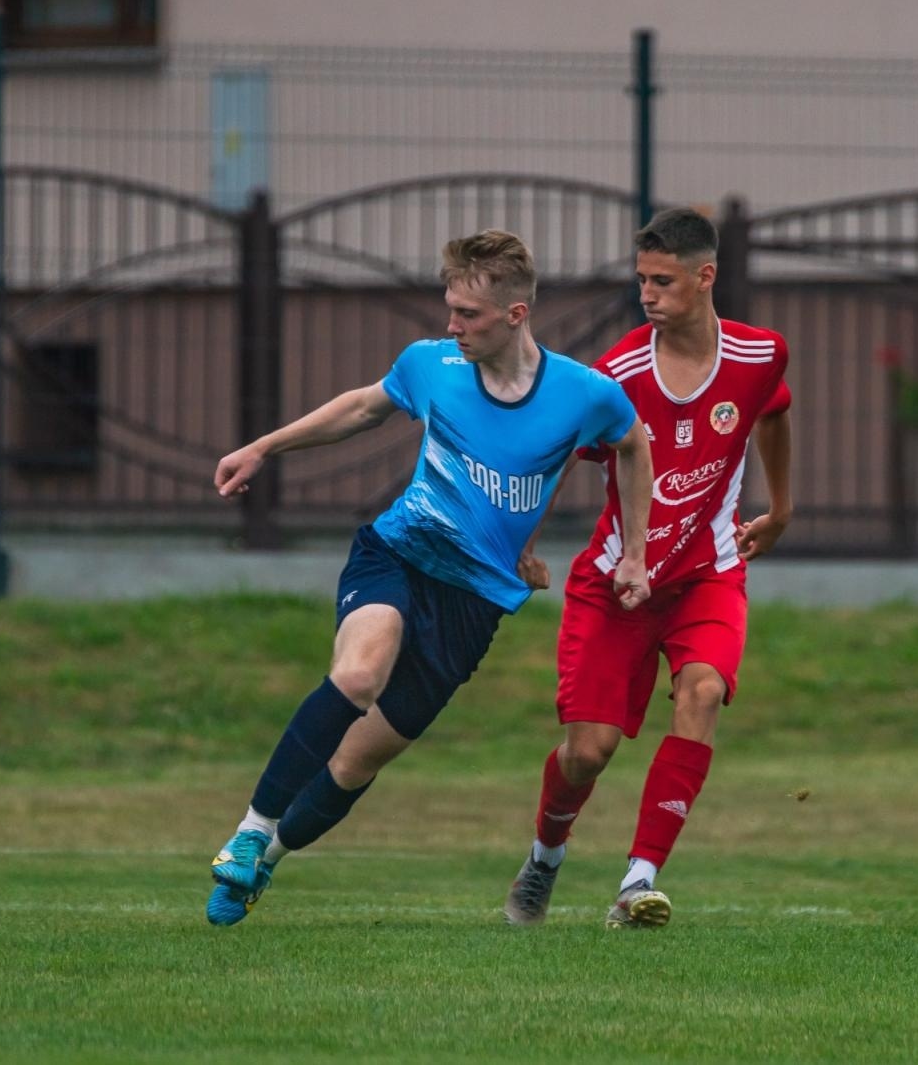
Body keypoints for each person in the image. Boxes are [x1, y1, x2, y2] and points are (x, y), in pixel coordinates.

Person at [205, 229, 654, 926]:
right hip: (398, 555)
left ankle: (269, 858)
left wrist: (635, 551)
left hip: (472, 604)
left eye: (467, 315)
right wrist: (265, 446)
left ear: (515, 314)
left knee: (355, 764)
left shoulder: (582, 393)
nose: (452, 325)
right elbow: (362, 407)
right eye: (449, 308)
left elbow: (633, 443)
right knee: (358, 674)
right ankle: (249, 830)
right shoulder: (431, 364)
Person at [503, 207, 793, 930]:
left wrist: (781, 509)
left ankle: (638, 881)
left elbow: (775, 412)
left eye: (662, 280)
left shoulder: (760, 355)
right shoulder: (619, 373)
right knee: (588, 751)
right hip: (615, 586)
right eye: (641, 280)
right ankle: (545, 854)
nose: (648, 294)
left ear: (706, 278)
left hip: (708, 575)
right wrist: (524, 542)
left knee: (702, 694)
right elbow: (562, 452)